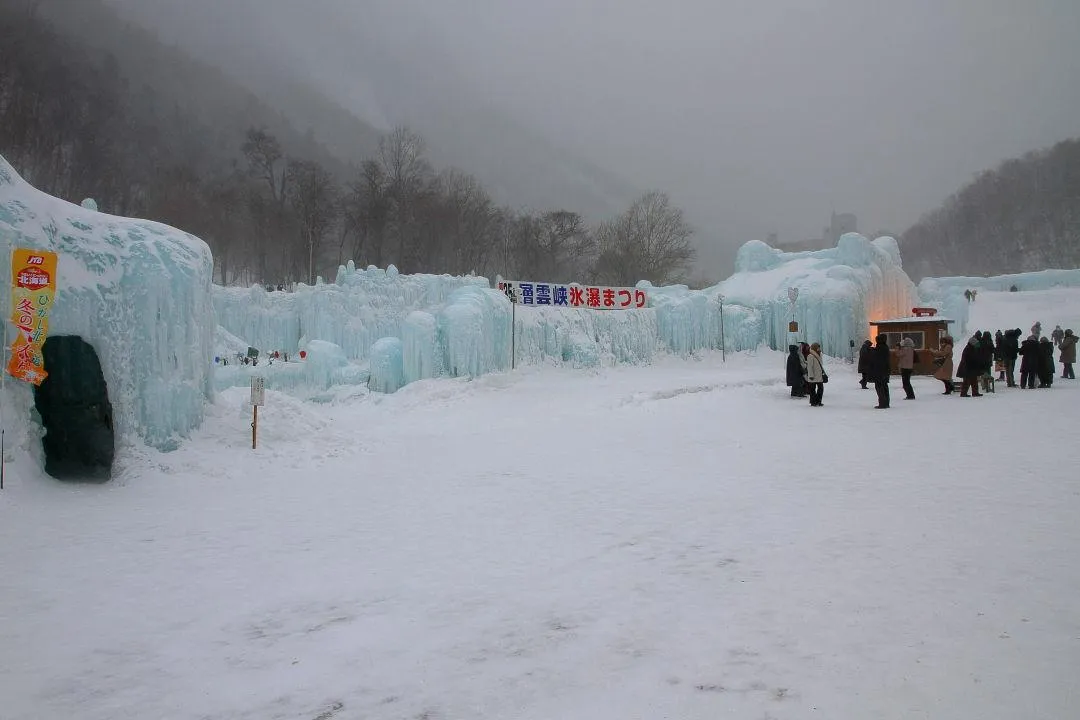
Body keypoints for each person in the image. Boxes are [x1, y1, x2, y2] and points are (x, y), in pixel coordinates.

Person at [868, 333, 892, 409]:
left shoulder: (880, 348)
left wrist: (871, 350)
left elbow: (875, 358)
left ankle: (882, 403)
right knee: (884, 387)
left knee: (879, 387)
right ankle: (886, 403)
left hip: (879, 371)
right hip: (885, 370)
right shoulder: (885, 347)